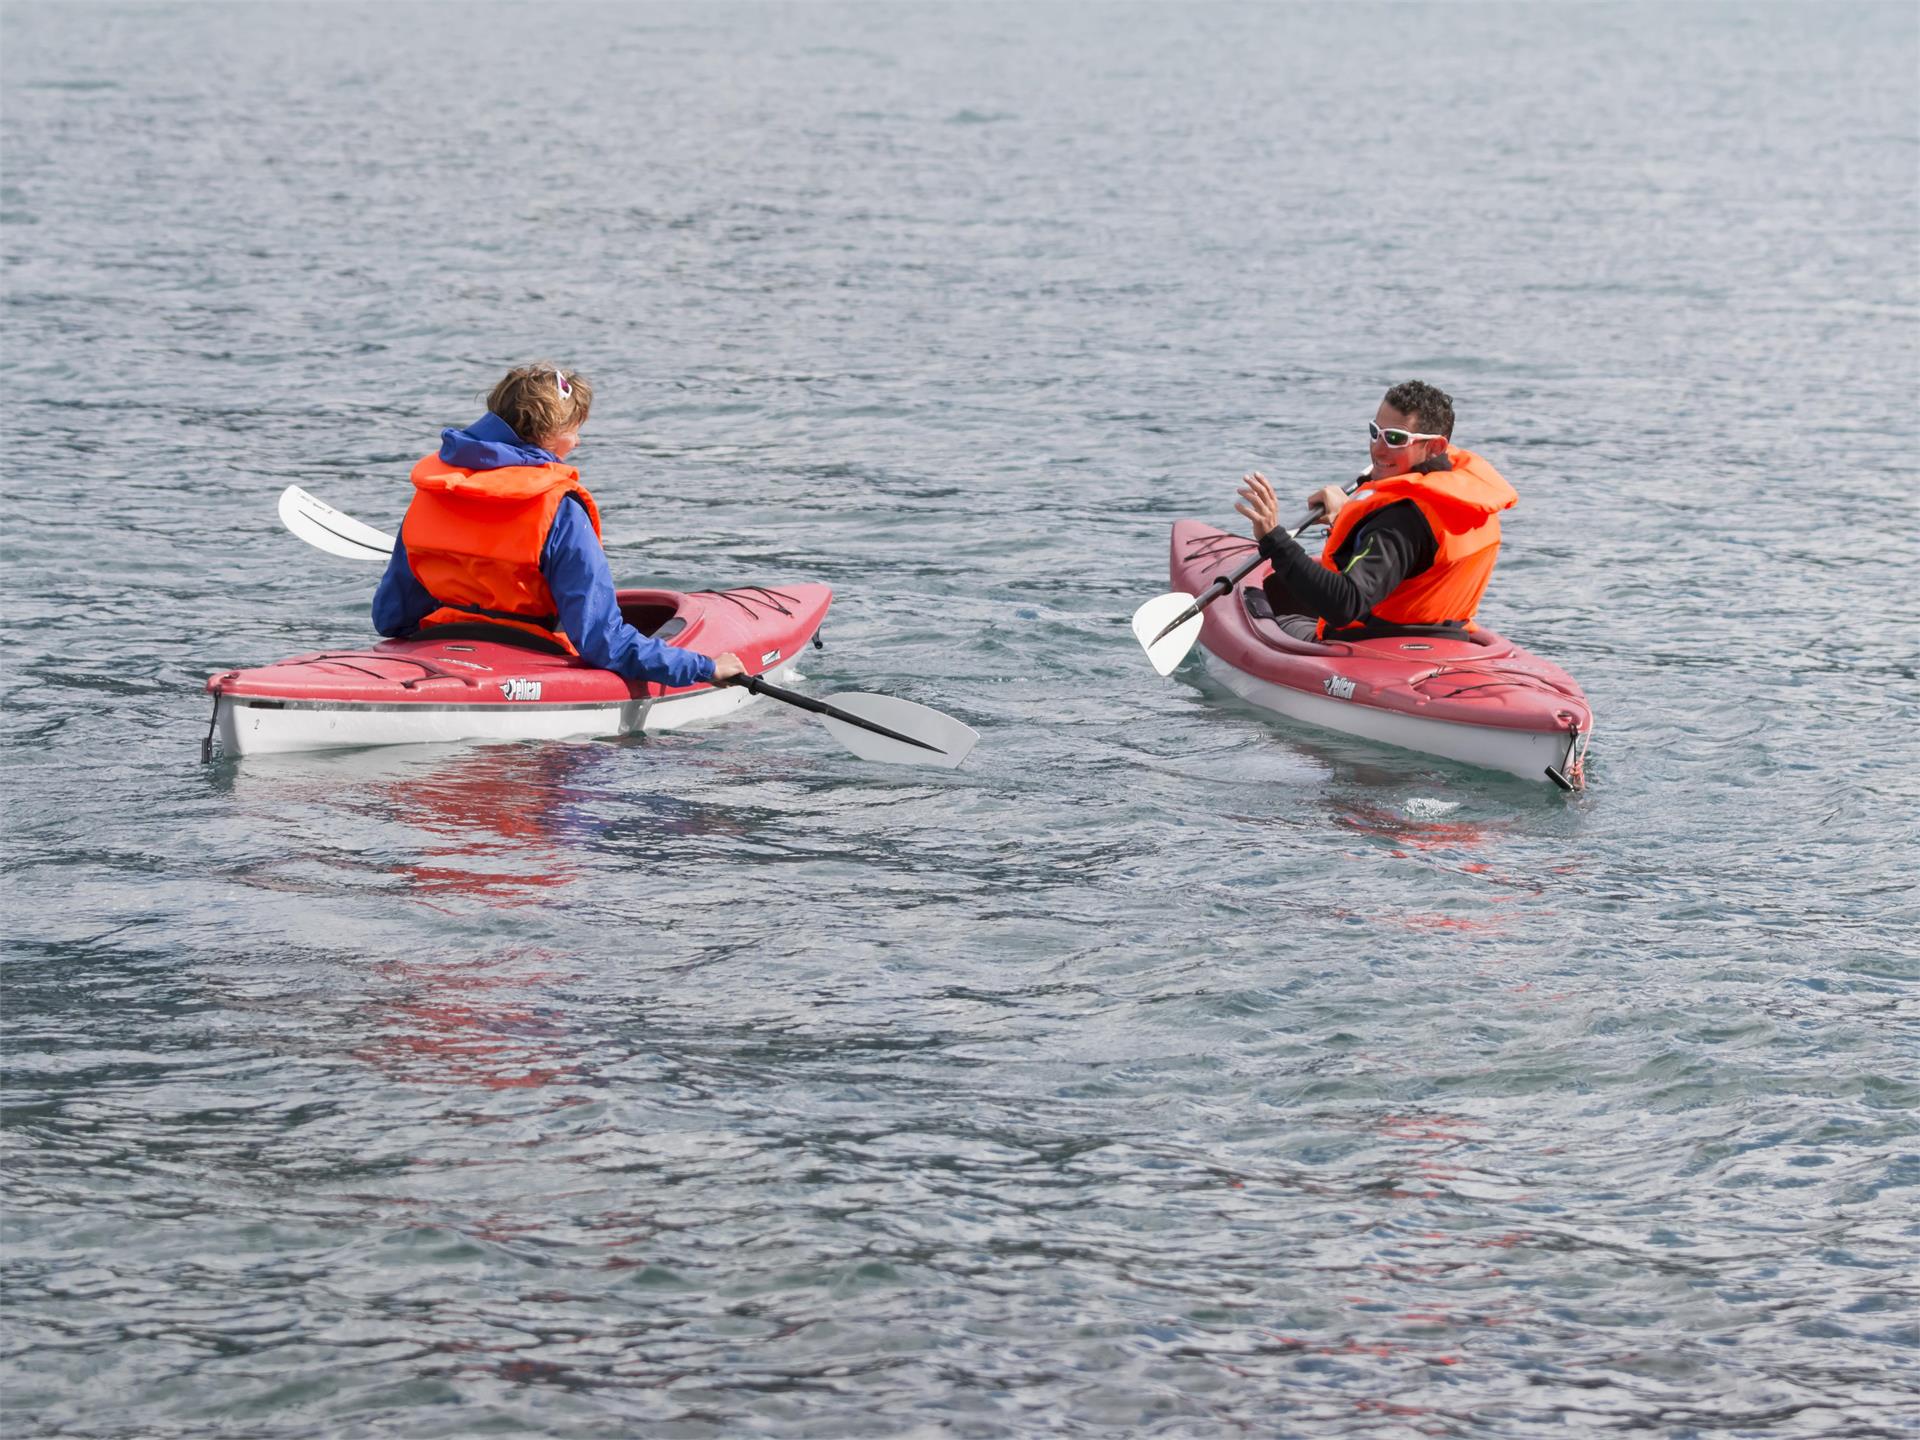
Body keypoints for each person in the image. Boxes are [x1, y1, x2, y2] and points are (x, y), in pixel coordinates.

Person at [372, 363, 743, 686]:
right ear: (550, 434)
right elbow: (603, 643)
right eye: (575, 429)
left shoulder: (435, 493)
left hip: (435, 649)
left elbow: (391, 618)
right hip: (529, 662)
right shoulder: (559, 509)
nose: (578, 442)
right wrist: (703, 667)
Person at [1233, 380, 1519, 640]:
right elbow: (1413, 562)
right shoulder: (1464, 496)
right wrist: (1344, 516)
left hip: (1372, 645)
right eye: (1375, 432)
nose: (1378, 450)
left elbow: (1343, 606)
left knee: (1275, 614)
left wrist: (1273, 537)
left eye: (1395, 439)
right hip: (1445, 639)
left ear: (1435, 446)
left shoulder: (1400, 520)